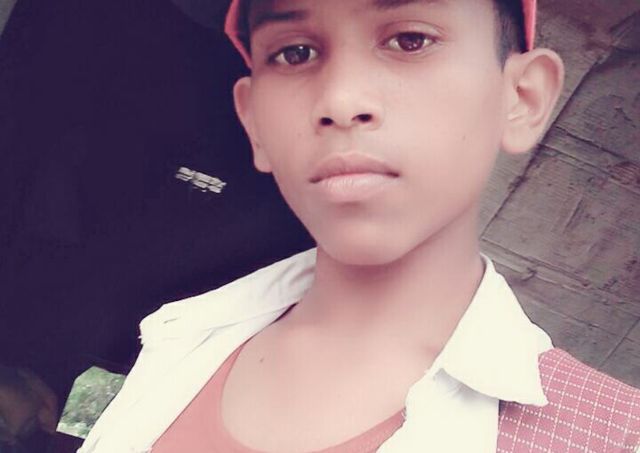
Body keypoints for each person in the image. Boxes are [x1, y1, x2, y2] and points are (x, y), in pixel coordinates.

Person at [79, 0, 640, 452]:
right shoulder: (181, 338)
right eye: (294, 53)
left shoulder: (610, 436)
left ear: (521, 97)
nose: (340, 100)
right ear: (254, 124)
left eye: (410, 40)